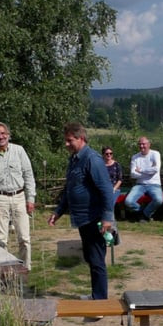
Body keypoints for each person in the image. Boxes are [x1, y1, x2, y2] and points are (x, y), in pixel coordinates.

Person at [48, 123, 115, 300]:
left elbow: (106, 189)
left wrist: (108, 218)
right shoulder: (75, 159)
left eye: (70, 141)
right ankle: (96, 294)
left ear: (81, 138)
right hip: (83, 219)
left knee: (96, 260)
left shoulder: (92, 159)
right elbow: (70, 189)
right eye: (66, 141)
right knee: (90, 257)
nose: (66, 144)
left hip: (94, 218)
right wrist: (58, 212)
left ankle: (100, 301)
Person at [0, 122, 36, 270]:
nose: (1, 136)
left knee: (24, 238)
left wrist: (31, 198)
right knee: (0, 240)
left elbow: (28, 175)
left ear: (8, 135)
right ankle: (3, 272)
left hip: (19, 196)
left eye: (3, 133)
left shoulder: (19, 151)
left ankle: (24, 269)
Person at [124, 136, 163, 222]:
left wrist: (140, 170)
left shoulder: (155, 154)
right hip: (140, 185)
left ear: (149, 144)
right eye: (140, 144)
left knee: (159, 200)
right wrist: (149, 173)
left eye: (143, 144)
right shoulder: (135, 157)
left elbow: (156, 169)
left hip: (154, 184)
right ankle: (143, 213)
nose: (141, 146)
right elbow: (133, 174)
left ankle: (144, 214)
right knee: (128, 202)